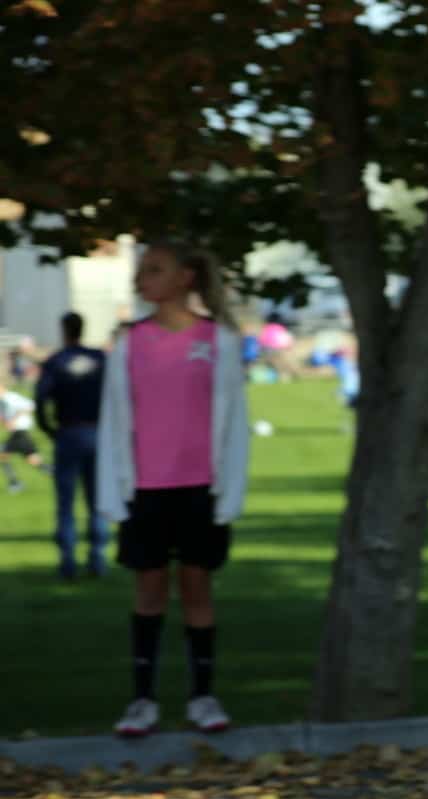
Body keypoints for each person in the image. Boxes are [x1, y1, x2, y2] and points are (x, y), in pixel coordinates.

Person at [97, 240, 250, 737]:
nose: (143, 280)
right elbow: (114, 420)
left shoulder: (218, 339)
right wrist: (113, 490)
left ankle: (203, 697)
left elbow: (233, 422)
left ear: (185, 277)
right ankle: (141, 701)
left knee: (197, 589)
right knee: (149, 591)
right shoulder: (129, 341)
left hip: (200, 489)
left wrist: (228, 491)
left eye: (154, 270)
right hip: (145, 490)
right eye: (142, 271)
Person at [35, 312, 108, 579]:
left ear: (63, 329)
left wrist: (49, 430)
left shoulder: (56, 362)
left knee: (65, 502)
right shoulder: (100, 359)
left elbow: (41, 400)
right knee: (97, 499)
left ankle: (67, 561)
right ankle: (97, 559)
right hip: (96, 432)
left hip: (68, 433)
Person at [1, 381, 51, 494]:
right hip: (18, 433)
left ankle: (15, 483)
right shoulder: (2, 402)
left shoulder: (12, 397)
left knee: (2, 453)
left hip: (20, 432)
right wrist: (6, 421)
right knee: (34, 460)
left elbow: (30, 406)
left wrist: (14, 419)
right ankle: (59, 474)